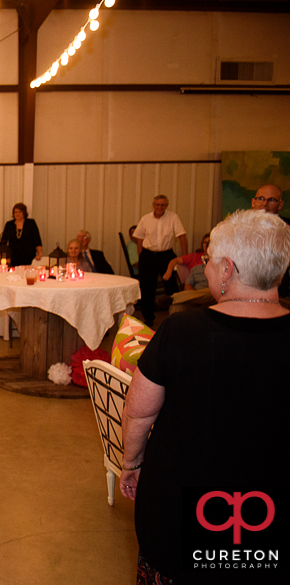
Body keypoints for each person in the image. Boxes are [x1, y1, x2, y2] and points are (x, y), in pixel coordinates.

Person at [120, 209, 289, 585]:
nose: (207, 267)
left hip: (183, 507)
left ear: (227, 270)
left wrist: (131, 464)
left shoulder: (180, 332)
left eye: (210, 260)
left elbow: (139, 413)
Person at [132, 195, 188, 326]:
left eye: (163, 205)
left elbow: (182, 236)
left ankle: (176, 316)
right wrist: (141, 257)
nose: (159, 207)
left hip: (166, 255)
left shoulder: (173, 217)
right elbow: (139, 238)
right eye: (157, 205)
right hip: (148, 255)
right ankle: (148, 318)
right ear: (153, 205)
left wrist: (184, 257)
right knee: (147, 288)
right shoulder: (145, 218)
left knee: (172, 286)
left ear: (166, 206)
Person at [251, 184, 290, 297]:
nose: (264, 204)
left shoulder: (287, 227)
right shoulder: (238, 225)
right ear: (253, 202)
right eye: (261, 199)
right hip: (244, 286)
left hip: (278, 289)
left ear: (280, 205)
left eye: (271, 200)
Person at [0, 202, 42, 267]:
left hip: (28, 256)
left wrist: (40, 253)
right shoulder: (9, 225)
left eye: (20, 212)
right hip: (13, 256)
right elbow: (3, 241)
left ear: (24, 213)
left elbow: (37, 239)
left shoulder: (31, 224)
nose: (17, 214)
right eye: (15, 212)